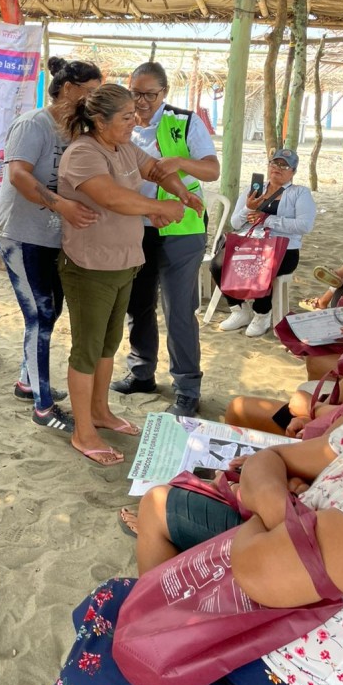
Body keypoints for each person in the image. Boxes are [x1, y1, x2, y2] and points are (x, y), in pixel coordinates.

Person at [39, 429, 343, 685]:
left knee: (91, 682)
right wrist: (290, 517)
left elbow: (259, 568)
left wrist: (272, 504)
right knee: (116, 604)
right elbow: (268, 458)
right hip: (260, 631)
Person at [55, 85, 202, 466]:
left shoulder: (124, 148)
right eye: (125, 117)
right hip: (90, 266)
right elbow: (111, 197)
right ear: (100, 121)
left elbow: (155, 169)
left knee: (109, 344)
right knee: (87, 350)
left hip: (123, 262)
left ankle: (100, 411)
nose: (134, 122)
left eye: (133, 115)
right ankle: (82, 431)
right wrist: (158, 207)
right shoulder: (84, 153)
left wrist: (181, 194)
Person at [0, 57, 101, 434]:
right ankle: (42, 406)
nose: (94, 100)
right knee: (40, 314)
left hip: (52, 236)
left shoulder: (79, 130)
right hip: (20, 234)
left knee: (49, 312)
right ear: (68, 89)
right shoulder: (33, 124)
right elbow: (18, 176)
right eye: (91, 92)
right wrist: (62, 205)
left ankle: (27, 382)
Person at [111, 62, 219, 418]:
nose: (141, 101)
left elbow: (212, 169)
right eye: (135, 93)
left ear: (165, 92)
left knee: (178, 311)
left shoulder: (184, 121)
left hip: (181, 228)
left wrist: (179, 162)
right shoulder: (120, 123)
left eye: (150, 94)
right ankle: (141, 372)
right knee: (137, 304)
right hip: (135, 226)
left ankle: (187, 388)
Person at [210, 147, 316, 337]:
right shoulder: (253, 189)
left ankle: (262, 314)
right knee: (217, 265)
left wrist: (267, 219)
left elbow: (304, 226)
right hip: (250, 243)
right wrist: (247, 208)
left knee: (263, 266)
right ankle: (239, 310)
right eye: (275, 163)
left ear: (293, 172)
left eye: (284, 166)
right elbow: (235, 223)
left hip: (284, 248)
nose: (278, 168)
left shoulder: (300, 193)